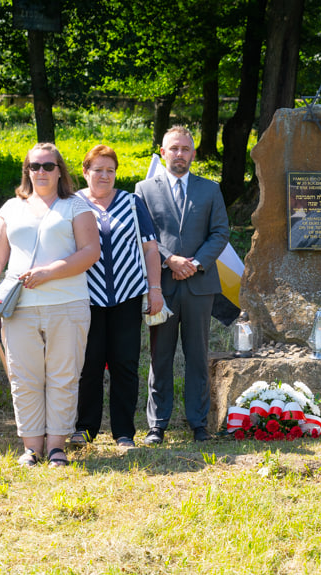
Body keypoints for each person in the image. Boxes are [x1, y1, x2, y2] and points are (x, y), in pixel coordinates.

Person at [0, 143, 100, 467]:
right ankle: (32, 448)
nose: (42, 172)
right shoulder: (10, 208)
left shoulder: (76, 206)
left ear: (60, 170)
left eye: (48, 165)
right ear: (27, 171)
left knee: (64, 375)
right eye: (35, 166)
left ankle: (57, 446)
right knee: (24, 376)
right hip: (20, 307)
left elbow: (90, 252)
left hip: (68, 303)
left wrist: (49, 272)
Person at [135, 126, 229, 444]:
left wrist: (195, 263)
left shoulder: (209, 189)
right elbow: (141, 234)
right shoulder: (144, 189)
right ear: (163, 152)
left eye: (185, 149)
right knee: (160, 355)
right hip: (160, 285)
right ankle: (157, 424)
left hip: (200, 285)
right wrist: (170, 260)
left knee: (198, 356)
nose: (179, 154)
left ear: (193, 154)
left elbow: (220, 232)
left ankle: (199, 423)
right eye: (173, 148)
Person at [70, 145, 164, 448]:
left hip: (127, 296)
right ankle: (85, 428)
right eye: (98, 169)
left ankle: (124, 432)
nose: (104, 175)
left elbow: (150, 249)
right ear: (86, 172)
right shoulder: (72, 204)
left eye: (110, 170)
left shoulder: (132, 203)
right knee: (89, 364)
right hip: (86, 297)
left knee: (125, 364)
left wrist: (155, 289)